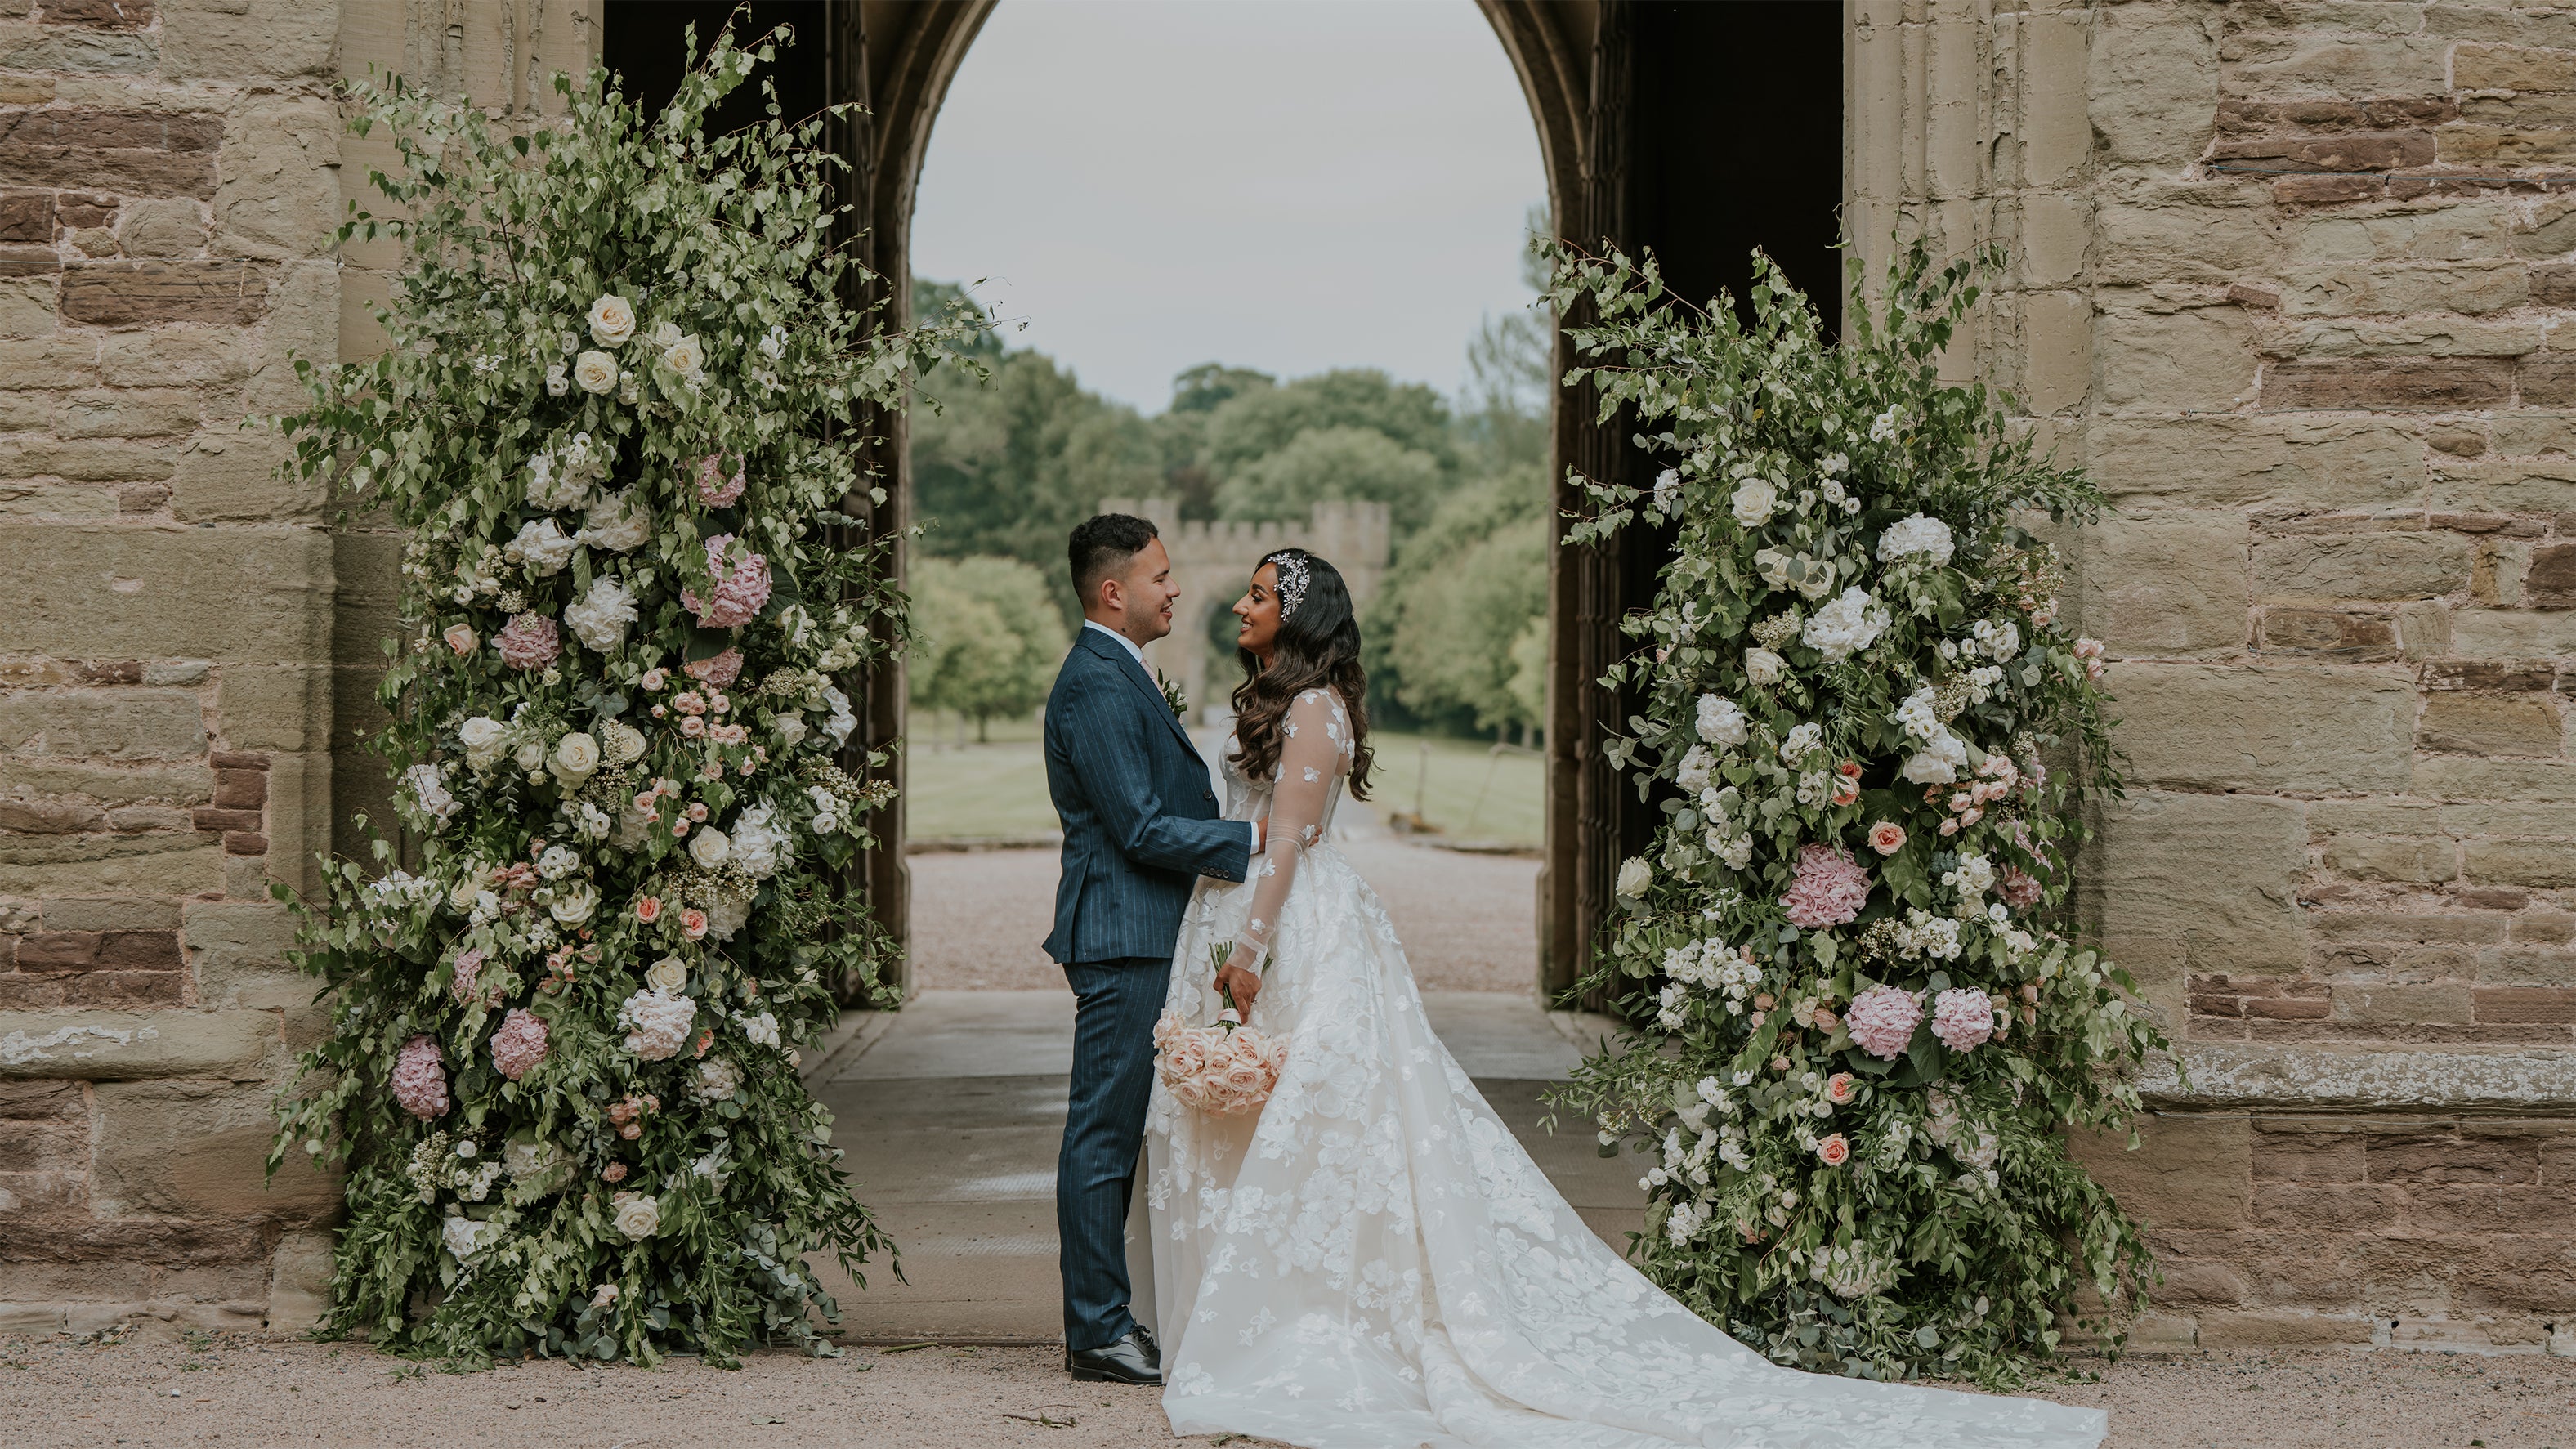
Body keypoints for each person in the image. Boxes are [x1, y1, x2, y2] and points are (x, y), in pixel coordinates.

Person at [1143, 547, 2109, 1448]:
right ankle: (1279, 1306)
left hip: (1296, 928)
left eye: (1260, 595)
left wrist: (1251, 951)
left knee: (1320, 1121)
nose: (1240, 603)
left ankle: (1319, 1318)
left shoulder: (1312, 710)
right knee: (1283, 1121)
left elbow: (1288, 845)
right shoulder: (1290, 702)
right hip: (1274, 917)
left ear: (1300, 620)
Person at [1040, 513, 1266, 1386]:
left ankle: (1113, 1317)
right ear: (1113, 592)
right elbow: (1134, 824)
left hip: (1146, 932)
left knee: (1124, 1131)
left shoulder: (1120, 671)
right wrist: (1248, 844)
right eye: (1160, 576)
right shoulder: (1096, 682)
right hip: (1122, 935)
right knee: (1102, 1134)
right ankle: (1095, 1330)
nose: (1174, 589)